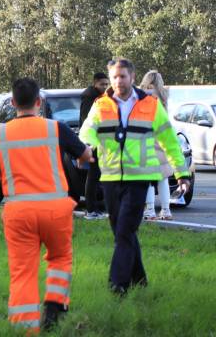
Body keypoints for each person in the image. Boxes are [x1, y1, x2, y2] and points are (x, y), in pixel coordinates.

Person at [0, 77, 94, 333]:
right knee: (60, 258)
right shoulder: (56, 128)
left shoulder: (0, 133)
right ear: (39, 102)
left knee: (23, 271)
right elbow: (85, 155)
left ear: (14, 103)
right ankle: (54, 305)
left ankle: (25, 328)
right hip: (56, 209)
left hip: (19, 212)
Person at [80, 58, 190, 295]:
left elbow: (169, 140)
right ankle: (140, 281)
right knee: (123, 231)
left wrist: (181, 173)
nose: (119, 81)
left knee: (124, 231)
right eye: (114, 77)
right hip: (109, 178)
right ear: (110, 79)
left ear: (132, 77)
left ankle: (117, 284)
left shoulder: (150, 105)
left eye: (123, 76)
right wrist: (85, 148)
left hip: (139, 179)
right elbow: (87, 130)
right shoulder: (100, 105)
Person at [139, 70, 174, 221]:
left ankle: (150, 211)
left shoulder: (141, 94)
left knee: (148, 177)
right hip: (162, 136)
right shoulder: (164, 95)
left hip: (146, 136)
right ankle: (166, 210)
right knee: (163, 176)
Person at [79, 72, 110, 220]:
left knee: (95, 177)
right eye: (102, 84)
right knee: (92, 177)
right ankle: (91, 209)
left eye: (106, 84)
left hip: (97, 141)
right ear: (95, 83)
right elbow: (87, 121)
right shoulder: (90, 97)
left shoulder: (99, 96)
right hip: (92, 142)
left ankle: (94, 209)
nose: (104, 87)